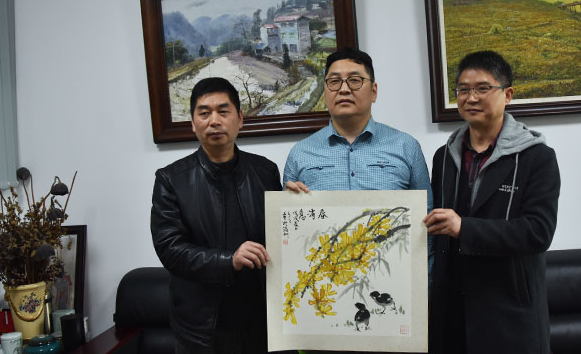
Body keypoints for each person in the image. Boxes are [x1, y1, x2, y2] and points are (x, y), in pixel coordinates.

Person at [424, 51, 560, 354]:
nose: (471, 97)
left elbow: (538, 232)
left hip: (509, 312)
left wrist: (464, 228)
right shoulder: (444, 157)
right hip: (452, 313)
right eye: (463, 89)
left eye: (482, 88)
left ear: (507, 95)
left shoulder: (536, 157)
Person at [150, 77, 283, 354]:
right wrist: (229, 260)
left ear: (240, 119)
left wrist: (296, 201)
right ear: (192, 123)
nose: (214, 121)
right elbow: (170, 249)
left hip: (262, 321)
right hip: (202, 328)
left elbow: (281, 236)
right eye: (204, 113)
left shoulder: (266, 171)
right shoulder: (171, 179)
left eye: (223, 111)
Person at [283, 47, 432, 204]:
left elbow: (426, 212)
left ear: (373, 91)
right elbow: (286, 215)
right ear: (325, 91)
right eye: (334, 82)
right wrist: (288, 203)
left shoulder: (407, 147)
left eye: (354, 80)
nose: (344, 89)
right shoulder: (300, 153)